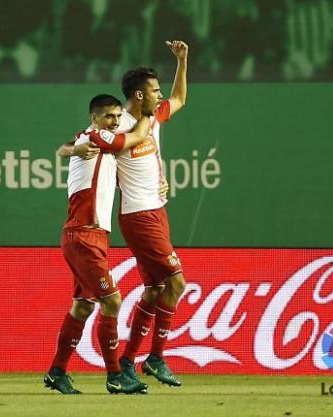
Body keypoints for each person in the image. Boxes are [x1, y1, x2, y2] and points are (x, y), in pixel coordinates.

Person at [45, 94, 152, 395]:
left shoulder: (89, 138)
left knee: (82, 306)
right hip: (84, 234)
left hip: (91, 235)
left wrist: (68, 150)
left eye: (118, 117)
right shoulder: (99, 136)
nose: (116, 122)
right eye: (109, 117)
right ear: (95, 118)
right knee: (112, 301)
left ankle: (57, 372)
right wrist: (147, 112)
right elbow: (140, 135)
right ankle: (116, 375)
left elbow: (62, 148)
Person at [115, 40, 189, 387]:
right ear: (139, 95)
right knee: (176, 282)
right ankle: (156, 357)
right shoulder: (121, 126)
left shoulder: (153, 116)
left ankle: (129, 360)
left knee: (155, 290)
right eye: (154, 91)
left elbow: (180, 99)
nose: (161, 96)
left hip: (156, 211)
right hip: (138, 215)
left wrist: (182, 62)